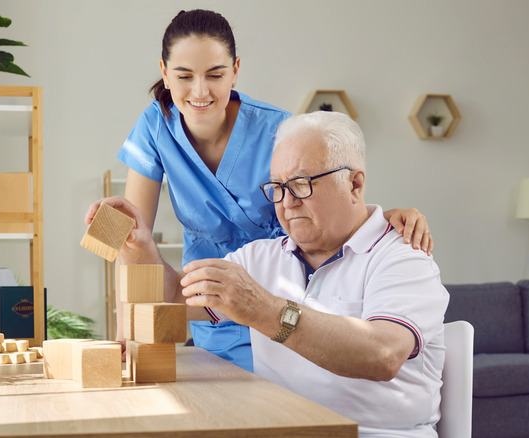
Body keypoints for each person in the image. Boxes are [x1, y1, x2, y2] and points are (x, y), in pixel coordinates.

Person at [110, 8, 434, 372]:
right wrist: (126, 332)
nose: (199, 91)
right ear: (164, 73)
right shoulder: (155, 127)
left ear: (235, 70)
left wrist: (378, 220)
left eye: (214, 74)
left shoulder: (279, 131)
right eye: (184, 75)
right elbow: (132, 243)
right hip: (211, 303)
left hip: (287, 304)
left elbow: (332, 199)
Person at [92, 111, 449, 437]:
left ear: (354, 184)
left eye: (302, 184)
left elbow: (382, 354)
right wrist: (139, 246)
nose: (287, 202)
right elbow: (172, 296)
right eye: (277, 188)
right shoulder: (260, 258)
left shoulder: (404, 256)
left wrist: (263, 309)